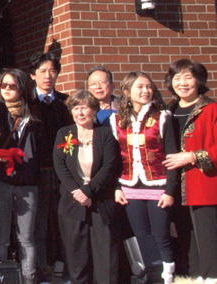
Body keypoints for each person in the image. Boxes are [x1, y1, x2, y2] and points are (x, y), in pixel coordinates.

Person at [110, 71, 178, 284]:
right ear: (128, 92)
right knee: (141, 236)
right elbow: (113, 160)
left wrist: (170, 192)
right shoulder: (117, 120)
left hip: (158, 185)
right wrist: (116, 188)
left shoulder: (162, 117)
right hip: (130, 186)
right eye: (140, 87)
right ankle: (149, 277)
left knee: (161, 236)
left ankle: (168, 278)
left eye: (149, 87)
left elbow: (172, 156)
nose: (146, 91)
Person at [53, 90, 121, 284]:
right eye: (76, 108)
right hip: (72, 203)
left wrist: (89, 191)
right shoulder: (64, 133)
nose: (80, 112)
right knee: (76, 259)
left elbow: (110, 166)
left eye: (84, 107)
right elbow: (60, 166)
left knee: (105, 257)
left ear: (94, 111)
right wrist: (78, 192)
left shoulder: (105, 134)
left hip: (101, 201)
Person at [161, 58, 217, 282]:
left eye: (188, 77)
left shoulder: (212, 109)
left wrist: (192, 156)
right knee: (184, 242)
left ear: (199, 80)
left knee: (208, 241)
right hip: (173, 188)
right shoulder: (167, 112)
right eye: (177, 77)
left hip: (203, 186)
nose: (182, 83)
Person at [0, 68, 40, 284]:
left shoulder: (35, 114)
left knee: (26, 238)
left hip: (28, 182)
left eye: (12, 85)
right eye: (3, 86)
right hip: (1, 181)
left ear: (22, 87)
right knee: (0, 237)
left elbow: (43, 149)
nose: (7, 90)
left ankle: (29, 278)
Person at [28, 51, 72, 284]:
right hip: (38, 172)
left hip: (64, 172)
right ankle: (43, 270)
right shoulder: (27, 104)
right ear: (33, 75)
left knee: (66, 221)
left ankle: (67, 268)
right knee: (40, 225)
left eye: (52, 71)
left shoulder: (65, 102)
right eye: (43, 71)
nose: (48, 76)